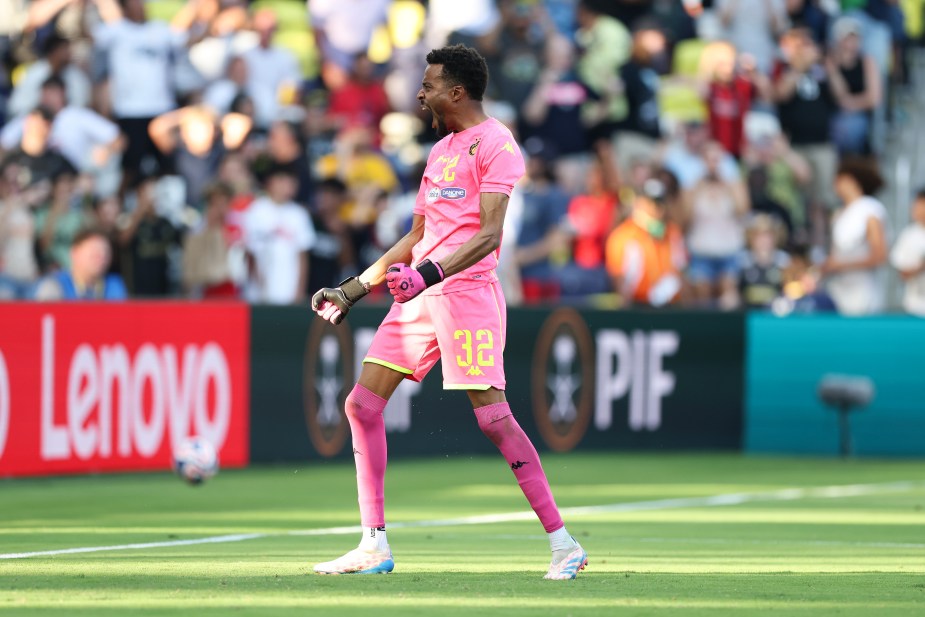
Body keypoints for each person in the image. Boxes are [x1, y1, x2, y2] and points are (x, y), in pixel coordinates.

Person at [310, 44, 587, 579]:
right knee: (361, 405)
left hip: (468, 296)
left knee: (494, 420)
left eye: (430, 84)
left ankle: (563, 543)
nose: (421, 92)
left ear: (456, 92)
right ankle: (373, 544)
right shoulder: (441, 151)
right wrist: (353, 289)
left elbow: (489, 235)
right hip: (419, 295)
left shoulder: (497, 143)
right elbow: (417, 236)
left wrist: (430, 274)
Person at [605, 177, 687, 307]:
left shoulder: (672, 232)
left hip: (669, 307)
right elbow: (619, 279)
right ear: (639, 203)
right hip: (637, 307)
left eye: (660, 203)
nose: (657, 209)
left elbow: (681, 271)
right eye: (651, 203)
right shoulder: (623, 236)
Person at [821, 157, 888, 315]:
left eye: (839, 179)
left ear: (852, 180)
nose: (835, 184)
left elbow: (879, 255)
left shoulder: (870, 209)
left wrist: (841, 265)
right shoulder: (838, 214)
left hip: (863, 293)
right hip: (838, 291)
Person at [242, 165, 315, 304]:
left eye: (291, 181)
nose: (287, 186)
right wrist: (258, 287)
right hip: (258, 294)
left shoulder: (299, 214)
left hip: (289, 290)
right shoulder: (255, 210)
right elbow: (250, 253)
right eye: (282, 180)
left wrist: (299, 292)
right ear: (270, 182)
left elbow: (303, 257)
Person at [33, 227, 128, 300]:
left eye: (106, 253)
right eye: (94, 252)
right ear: (75, 253)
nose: (101, 257)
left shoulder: (114, 284)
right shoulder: (54, 284)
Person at [889, 189, 925, 316]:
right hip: (915, 306)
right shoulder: (909, 235)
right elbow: (903, 273)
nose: (916, 209)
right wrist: (921, 265)